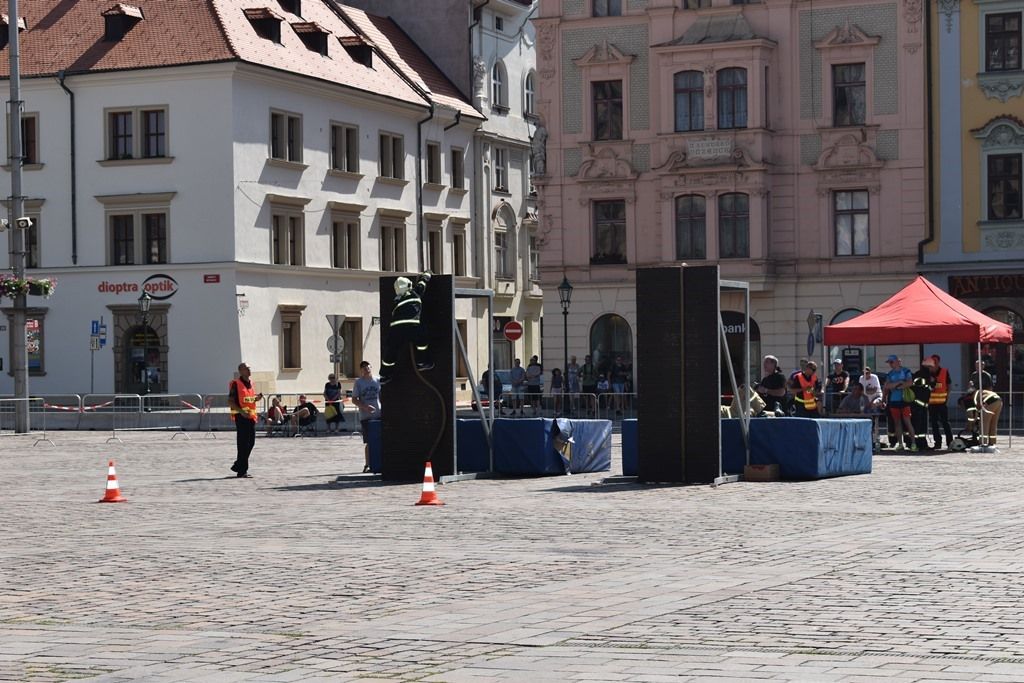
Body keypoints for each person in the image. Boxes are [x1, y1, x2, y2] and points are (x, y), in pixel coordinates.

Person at [380, 272, 433, 385]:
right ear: (409, 286)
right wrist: (426, 275)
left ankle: (385, 375)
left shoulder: (396, 300)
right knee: (422, 341)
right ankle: (423, 362)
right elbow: (422, 284)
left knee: (391, 351)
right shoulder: (415, 293)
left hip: (395, 329)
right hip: (412, 326)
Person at [229, 362, 263, 478]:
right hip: (241, 417)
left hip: (251, 417)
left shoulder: (251, 383)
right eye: (247, 369)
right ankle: (242, 470)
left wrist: (257, 398)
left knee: (251, 443)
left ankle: (238, 465)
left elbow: (249, 399)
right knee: (243, 444)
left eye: (250, 368)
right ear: (241, 371)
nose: (249, 370)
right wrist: (242, 412)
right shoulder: (236, 384)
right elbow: (230, 401)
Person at [882, 354, 916, 452]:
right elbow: (887, 386)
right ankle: (900, 443)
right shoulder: (890, 374)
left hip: (904, 400)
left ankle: (913, 443)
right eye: (889, 363)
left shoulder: (906, 371)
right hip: (893, 400)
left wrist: (900, 385)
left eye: (891, 362)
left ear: (897, 361)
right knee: (897, 422)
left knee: (907, 422)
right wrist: (898, 383)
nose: (890, 364)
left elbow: (910, 382)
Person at [352, 360, 381, 472]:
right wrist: (365, 407)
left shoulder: (377, 380)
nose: (366, 368)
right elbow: (354, 399)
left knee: (380, 440)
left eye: (367, 366)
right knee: (369, 441)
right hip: (366, 416)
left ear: (371, 367)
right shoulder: (359, 382)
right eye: (363, 367)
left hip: (379, 414)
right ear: (361, 370)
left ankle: (380, 462)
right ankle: (367, 464)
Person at [973, 359, 1003, 445]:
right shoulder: (974, 375)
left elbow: (990, 388)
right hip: (997, 400)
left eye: (980, 365)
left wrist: (982, 405)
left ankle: (983, 442)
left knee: (984, 422)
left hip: (989, 400)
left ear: (983, 366)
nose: (977, 367)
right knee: (993, 422)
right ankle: (992, 442)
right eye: (976, 365)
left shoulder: (986, 376)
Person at [927, 354, 954, 450]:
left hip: (942, 403)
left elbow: (949, 385)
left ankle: (950, 443)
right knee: (934, 424)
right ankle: (937, 443)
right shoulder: (928, 373)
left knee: (945, 423)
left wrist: (947, 397)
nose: (934, 363)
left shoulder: (944, 371)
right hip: (931, 403)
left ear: (938, 362)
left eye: (936, 361)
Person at [911, 362, 933, 451]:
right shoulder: (922, 376)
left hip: (921, 405)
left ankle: (921, 443)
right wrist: (931, 382)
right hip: (918, 405)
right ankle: (918, 443)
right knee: (919, 426)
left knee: (921, 427)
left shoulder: (923, 375)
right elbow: (920, 385)